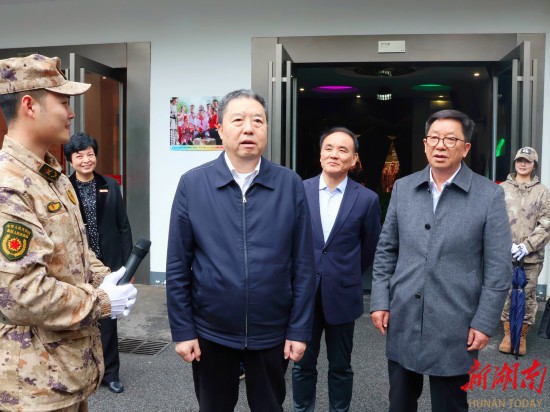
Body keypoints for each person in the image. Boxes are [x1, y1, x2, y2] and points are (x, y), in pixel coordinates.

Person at [0, 54, 137, 411]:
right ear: (29, 105)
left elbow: (75, 248)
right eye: (63, 102)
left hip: (67, 377)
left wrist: (106, 277)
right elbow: (21, 293)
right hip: (32, 389)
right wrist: (101, 301)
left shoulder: (54, 177)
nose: (71, 113)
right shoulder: (9, 187)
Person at [166, 89, 316, 412]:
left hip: (272, 331)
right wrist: (183, 330)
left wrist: (299, 329)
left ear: (266, 129)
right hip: (212, 331)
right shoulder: (193, 184)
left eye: (257, 121)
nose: (249, 128)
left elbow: (304, 264)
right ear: (220, 129)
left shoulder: (289, 184)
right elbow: (178, 265)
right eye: (238, 120)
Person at [370, 109, 512, 412]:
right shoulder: (404, 188)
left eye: (450, 139)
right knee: (400, 402)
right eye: (433, 138)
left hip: (456, 319)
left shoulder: (488, 195)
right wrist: (380, 300)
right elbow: (386, 250)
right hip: (405, 314)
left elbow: (499, 267)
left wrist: (485, 322)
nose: (440, 145)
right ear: (424, 144)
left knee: (450, 404)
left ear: (466, 148)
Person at [293, 127, 381, 411]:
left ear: (354, 160)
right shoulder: (299, 190)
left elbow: (369, 247)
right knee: (302, 364)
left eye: (343, 150)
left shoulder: (366, 199)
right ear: (320, 155)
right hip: (304, 295)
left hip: (343, 294)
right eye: (329, 148)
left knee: (341, 366)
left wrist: (345, 272)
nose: (334, 154)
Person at [64, 133, 134, 393]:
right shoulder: (64, 187)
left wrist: (127, 266)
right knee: (78, 317)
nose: (86, 160)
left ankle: (110, 373)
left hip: (109, 262)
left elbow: (123, 226)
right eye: (79, 155)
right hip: (77, 264)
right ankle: (82, 373)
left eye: (90, 154)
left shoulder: (109, 185)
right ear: (70, 160)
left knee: (108, 318)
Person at [498, 147, 550, 355]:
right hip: (505, 254)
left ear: (534, 165)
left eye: (527, 161)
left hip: (531, 257)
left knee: (528, 295)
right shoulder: (502, 189)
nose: (522, 164)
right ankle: (508, 334)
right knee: (506, 293)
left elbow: (546, 224)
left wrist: (526, 246)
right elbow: (494, 221)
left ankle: (520, 336)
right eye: (520, 160)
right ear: (515, 162)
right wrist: (506, 244)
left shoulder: (542, 191)